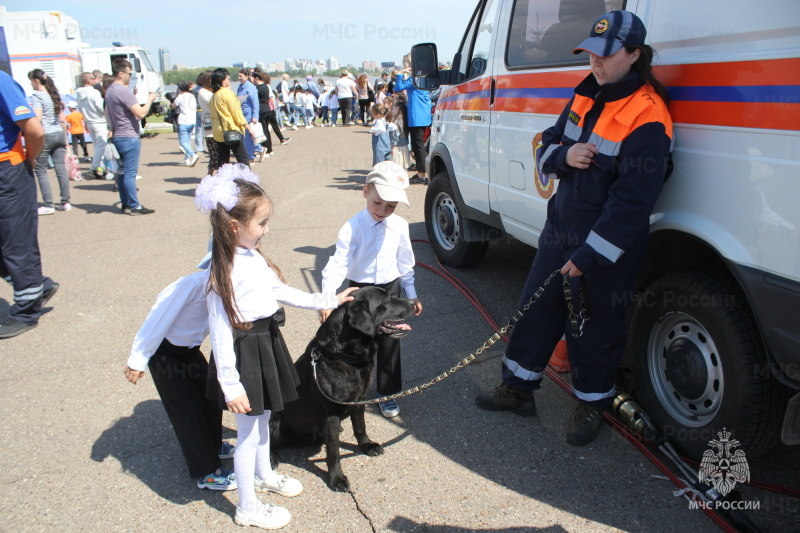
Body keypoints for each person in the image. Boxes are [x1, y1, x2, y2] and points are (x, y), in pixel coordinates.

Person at [474, 10, 673, 447]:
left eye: (606, 55)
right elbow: (546, 143)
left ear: (634, 54)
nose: (595, 64)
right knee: (535, 313)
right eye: (590, 55)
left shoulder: (648, 115)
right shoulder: (585, 94)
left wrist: (588, 258)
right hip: (560, 232)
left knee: (594, 330)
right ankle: (518, 388)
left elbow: (632, 205)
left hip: (603, 250)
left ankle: (591, 402)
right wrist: (565, 157)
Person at [196, 164, 357, 529]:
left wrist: (327, 298)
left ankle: (264, 473)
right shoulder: (224, 271)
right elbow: (220, 333)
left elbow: (281, 292)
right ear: (235, 226)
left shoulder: (252, 257)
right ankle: (247, 507)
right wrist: (231, 385)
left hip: (267, 343)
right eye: (262, 223)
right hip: (245, 356)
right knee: (248, 432)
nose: (267, 230)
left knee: (265, 419)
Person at [320, 161, 424, 418]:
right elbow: (337, 264)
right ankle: (348, 390)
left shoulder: (399, 225)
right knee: (352, 342)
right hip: (359, 290)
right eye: (378, 202)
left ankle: (387, 393)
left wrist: (411, 294)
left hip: (389, 290)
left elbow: (405, 261)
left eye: (391, 206)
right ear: (366, 191)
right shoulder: (352, 227)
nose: (383, 210)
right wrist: (326, 298)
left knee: (390, 342)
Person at [124, 256, 236, 491]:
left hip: (190, 351)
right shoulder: (190, 285)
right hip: (165, 353)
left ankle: (213, 445)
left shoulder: (228, 288)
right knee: (187, 411)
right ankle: (207, 472)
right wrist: (138, 359)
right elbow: (157, 319)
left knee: (210, 397)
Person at [0, 70, 60, 339]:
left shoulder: (1, 81)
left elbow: (34, 130)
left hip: (7, 169)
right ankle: (37, 286)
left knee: (16, 244)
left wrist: (30, 159)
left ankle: (26, 311)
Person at [105, 58, 158, 215]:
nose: (130, 76)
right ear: (121, 73)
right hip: (128, 136)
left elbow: (110, 113)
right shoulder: (122, 91)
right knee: (130, 173)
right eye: (129, 73)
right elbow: (140, 113)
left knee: (121, 172)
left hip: (118, 135)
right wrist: (149, 100)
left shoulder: (110, 90)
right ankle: (135, 205)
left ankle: (126, 202)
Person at [28, 69, 71, 215]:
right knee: (60, 169)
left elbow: (37, 118)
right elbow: (61, 119)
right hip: (59, 133)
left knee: (41, 170)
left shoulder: (37, 96)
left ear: (36, 81)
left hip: (46, 134)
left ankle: (48, 204)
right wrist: (65, 138)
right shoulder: (54, 95)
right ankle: (65, 202)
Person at [393, 56, 432, 185]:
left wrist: (400, 74)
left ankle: (422, 173)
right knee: (419, 144)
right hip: (423, 114)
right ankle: (421, 170)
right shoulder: (423, 78)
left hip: (416, 116)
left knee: (418, 145)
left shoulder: (415, 79)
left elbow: (398, 87)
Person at [208, 68, 255, 173]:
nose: (229, 80)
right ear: (223, 80)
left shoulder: (214, 95)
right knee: (243, 160)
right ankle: (249, 183)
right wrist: (248, 127)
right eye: (228, 77)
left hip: (219, 132)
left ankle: (222, 183)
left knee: (223, 163)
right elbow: (236, 113)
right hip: (231, 130)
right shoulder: (227, 93)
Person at [76, 72, 109, 180]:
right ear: (88, 80)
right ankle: (94, 168)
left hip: (89, 122)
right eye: (93, 78)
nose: (95, 80)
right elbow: (101, 108)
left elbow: (80, 110)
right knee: (102, 146)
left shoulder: (79, 94)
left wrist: (85, 121)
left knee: (97, 147)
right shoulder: (94, 92)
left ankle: (102, 168)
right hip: (99, 122)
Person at [172, 81, 200, 167]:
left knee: (183, 141)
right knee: (187, 140)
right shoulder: (192, 96)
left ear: (180, 89)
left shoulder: (180, 97)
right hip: (192, 120)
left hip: (183, 121)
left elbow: (173, 106)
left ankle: (193, 155)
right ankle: (186, 159)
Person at [236, 68, 261, 162]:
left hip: (249, 114)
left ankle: (250, 157)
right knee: (245, 136)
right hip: (242, 114)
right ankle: (260, 149)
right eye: (238, 76)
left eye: (241, 76)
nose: (239, 78)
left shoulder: (250, 87)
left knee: (248, 137)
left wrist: (255, 116)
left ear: (247, 76)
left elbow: (255, 102)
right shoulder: (240, 86)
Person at [196, 71, 217, 174]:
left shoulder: (213, 91)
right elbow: (214, 102)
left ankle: (215, 176)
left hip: (218, 126)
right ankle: (209, 177)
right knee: (214, 155)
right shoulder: (202, 92)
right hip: (210, 127)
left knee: (219, 155)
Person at [388, 98, 411, 170]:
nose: (391, 110)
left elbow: (395, 136)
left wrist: (392, 147)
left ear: (398, 109)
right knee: (403, 165)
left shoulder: (396, 122)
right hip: (404, 145)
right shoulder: (404, 120)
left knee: (396, 165)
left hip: (396, 146)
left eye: (393, 108)